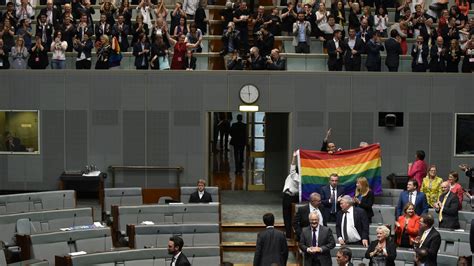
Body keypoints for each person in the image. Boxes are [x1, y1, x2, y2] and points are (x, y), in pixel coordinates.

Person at [282, 151, 300, 238]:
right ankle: (289, 233)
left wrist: (294, 157)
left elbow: (292, 166)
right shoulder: (294, 176)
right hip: (290, 197)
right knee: (290, 216)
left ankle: (289, 234)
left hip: (290, 197)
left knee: (288, 216)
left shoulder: (295, 176)